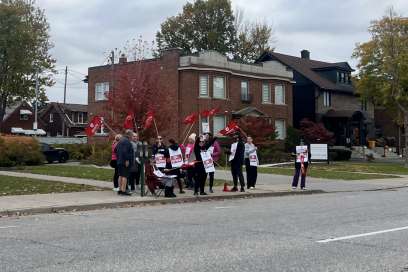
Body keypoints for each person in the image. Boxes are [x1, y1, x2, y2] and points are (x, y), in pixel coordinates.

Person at [115, 130, 134, 196]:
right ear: (129, 135)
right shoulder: (127, 141)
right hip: (124, 162)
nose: (132, 137)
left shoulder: (120, 141)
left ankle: (120, 190)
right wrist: (127, 160)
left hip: (119, 161)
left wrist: (118, 158)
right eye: (132, 135)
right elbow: (125, 151)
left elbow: (115, 150)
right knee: (125, 176)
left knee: (120, 175)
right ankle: (123, 191)